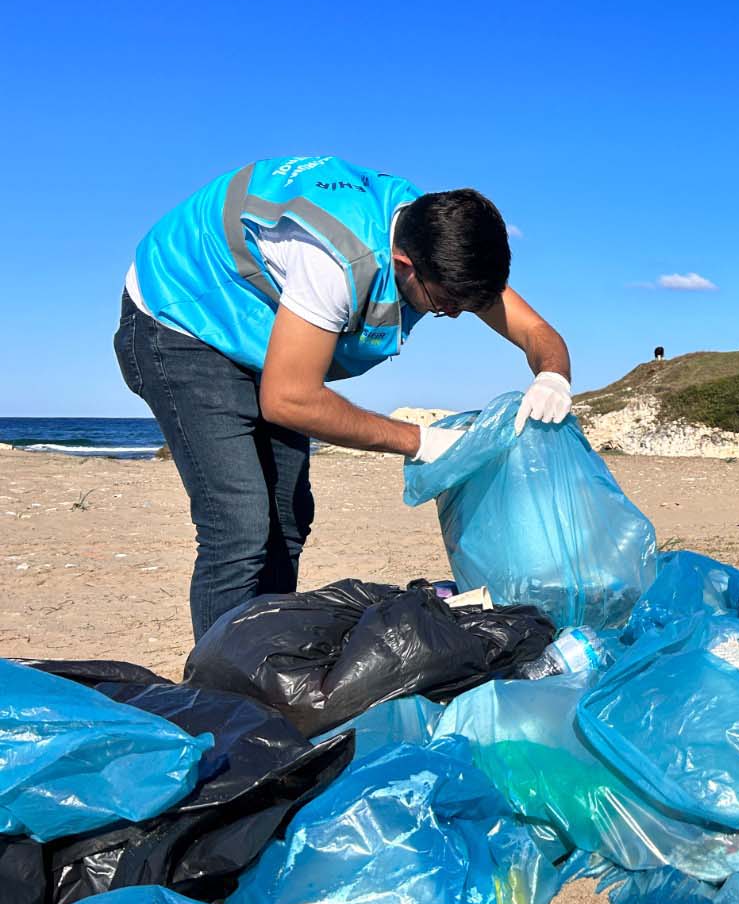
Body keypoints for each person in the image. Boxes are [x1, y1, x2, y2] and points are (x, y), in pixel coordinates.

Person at [115, 155, 573, 641]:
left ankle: (261, 656)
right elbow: (289, 399)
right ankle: (219, 691)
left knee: (289, 520)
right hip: (181, 316)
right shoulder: (335, 261)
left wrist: (553, 377)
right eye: (445, 304)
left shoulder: (444, 240)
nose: (455, 314)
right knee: (240, 527)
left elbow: (535, 330)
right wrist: (420, 441)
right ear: (404, 266)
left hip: (259, 330)